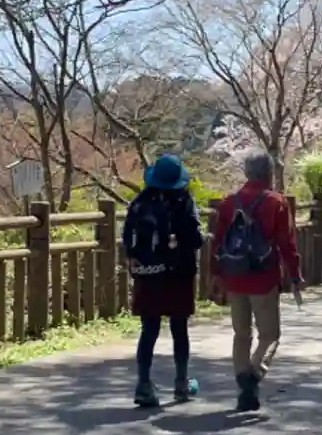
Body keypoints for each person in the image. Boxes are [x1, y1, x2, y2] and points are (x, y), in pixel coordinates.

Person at [211, 149, 302, 412]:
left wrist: (217, 274)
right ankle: (253, 374)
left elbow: (217, 242)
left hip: (235, 277)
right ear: (269, 173)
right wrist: (294, 275)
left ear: (247, 173)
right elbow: (286, 243)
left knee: (241, 334)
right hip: (263, 278)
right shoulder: (276, 202)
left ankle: (243, 382)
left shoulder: (229, 202)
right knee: (270, 335)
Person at [123, 153, 204, 408]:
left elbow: (127, 239)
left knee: (149, 330)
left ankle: (143, 384)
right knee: (179, 329)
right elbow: (195, 239)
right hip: (179, 274)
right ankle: (181, 383)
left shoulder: (139, 203)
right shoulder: (184, 202)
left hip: (148, 275)